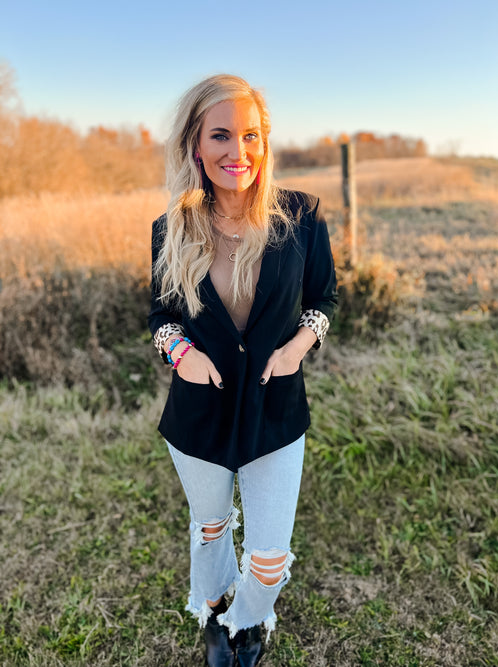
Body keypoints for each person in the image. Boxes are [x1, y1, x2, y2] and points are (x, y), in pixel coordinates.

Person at [148, 74, 337, 667]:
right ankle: (214, 611)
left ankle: (248, 617)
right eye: (221, 136)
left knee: (269, 555)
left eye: (250, 135)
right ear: (196, 146)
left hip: (275, 409)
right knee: (210, 529)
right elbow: (160, 317)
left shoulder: (301, 216)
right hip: (197, 412)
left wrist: (296, 349)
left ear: (265, 139)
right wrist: (186, 356)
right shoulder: (170, 228)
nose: (239, 153)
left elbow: (323, 300)